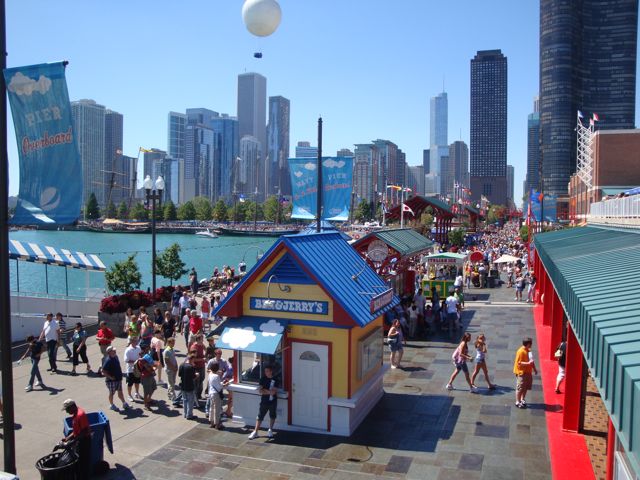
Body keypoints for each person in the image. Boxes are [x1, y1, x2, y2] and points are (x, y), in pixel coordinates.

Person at [61, 399, 91, 479]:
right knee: (79, 462)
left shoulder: (80, 415)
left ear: (72, 406)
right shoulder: (75, 415)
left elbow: (84, 432)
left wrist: (72, 442)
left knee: (83, 463)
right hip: (80, 440)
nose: (67, 412)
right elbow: (76, 431)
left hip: (85, 441)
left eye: (67, 409)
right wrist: (67, 439)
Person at [248, 364, 278, 439]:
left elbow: (274, 392)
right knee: (260, 416)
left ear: (271, 372)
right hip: (264, 401)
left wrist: (265, 390)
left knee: (272, 415)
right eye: (265, 371)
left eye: (267, 371)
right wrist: (268, 391)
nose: (266, 373)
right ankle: (255, 431)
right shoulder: (263, 379)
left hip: (273, 401)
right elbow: (260, 391)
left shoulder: (276, 379)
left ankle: (270, 429)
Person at [102, 346, 129, 411]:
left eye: (114, 350)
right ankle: (112, 405)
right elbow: (103, 371)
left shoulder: (115, 357)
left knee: (120, 392)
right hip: (111, 381)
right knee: (112, 393)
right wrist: (111, 377)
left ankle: (124, 403)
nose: (115, 351)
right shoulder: (108, 360)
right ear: (109, 352)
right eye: (113, 351)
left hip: (118, 379)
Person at [513, 337, 538, 408]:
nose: (531, 345)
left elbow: (531, 361)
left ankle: (522, 399)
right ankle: (517, 401)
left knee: (526, 386)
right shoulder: (520, 351)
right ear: (528, 344)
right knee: (520, 387)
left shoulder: (529, 351)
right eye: (531, 344)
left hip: (528, 372)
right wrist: (528, 363)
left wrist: (534, 369)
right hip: (521, 372)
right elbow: (519, 363)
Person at [178, 352, 198, 419]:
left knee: (184, 400)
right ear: (192, 359)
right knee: (190, 401)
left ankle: (185, 413)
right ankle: (189, 415)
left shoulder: (181, 365)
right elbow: (193, 377)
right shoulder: (191, 367)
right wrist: (197, 375)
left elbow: (179, 375)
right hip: (190, 386)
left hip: (183, 386)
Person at [137, 344, 157, 410]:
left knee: (153, 387)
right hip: (146, 377)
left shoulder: (146, 356)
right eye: (147, 348)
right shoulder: (142, 359)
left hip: (150, 376)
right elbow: (148, 367)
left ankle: (149, 400)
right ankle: (146, 405)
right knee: (146, 392)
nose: (149, 348)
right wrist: (154, 369)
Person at [208, 363, 224, 430]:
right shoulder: (216, 376)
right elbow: (219, 387)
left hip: (211, 393)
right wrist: (224, 383)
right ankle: (217, 424)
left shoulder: (210, 374)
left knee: (211, 408)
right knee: (216, 409)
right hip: (216, 394)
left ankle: (211, 423)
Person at [190, 335, 206, 401]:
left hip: (202, 366)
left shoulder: (201, 345)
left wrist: (206, 353)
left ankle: (199, 395)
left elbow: (206, 349)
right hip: (196, 367)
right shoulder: (194, 347)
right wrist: (202, 359)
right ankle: (195, 397)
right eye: (202, 339)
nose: (203, 340)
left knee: (201, 380)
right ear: (198, 339)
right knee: (196, 382)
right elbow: (192, 359)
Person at [163, 337, 178, 401]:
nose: (174, 344)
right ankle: (173, 397)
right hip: (169, 369)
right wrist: (173, 368)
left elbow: (174, 358)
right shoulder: (166, 351)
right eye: (172, 343)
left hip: (174, 368)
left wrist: (176, 366)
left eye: (174, 343)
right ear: (168, 343)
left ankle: (169, 394)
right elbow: (167, 361)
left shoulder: (172, 349)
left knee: (173, 382)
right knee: (171, 383)